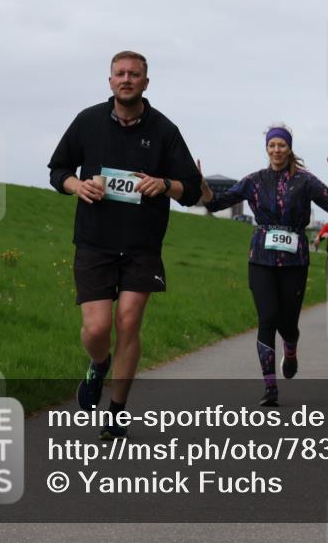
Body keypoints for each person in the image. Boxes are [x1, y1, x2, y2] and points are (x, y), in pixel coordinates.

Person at [48, 51, 202, 440]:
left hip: (141, 245)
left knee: (129, 322)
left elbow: (190, 190)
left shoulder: (164, 130)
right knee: (96, 329)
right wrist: (77, 186)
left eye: (134, 74)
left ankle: (116, 411)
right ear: (110, 80)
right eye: (120, 73)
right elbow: (58, 170)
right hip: (94, 242)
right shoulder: (88, 121)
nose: (127, 79)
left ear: (146, 82)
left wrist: (163, 184)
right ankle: (99, 364)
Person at [200, 124, 328, 406]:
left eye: (282, 145)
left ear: (289, 148)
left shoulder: (305, 181)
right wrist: (203, 186)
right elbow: (216, 204)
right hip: (262, 259)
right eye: (272, 145)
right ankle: (270, 387)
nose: (277, 150)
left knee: (288, 324)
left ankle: (290, 349)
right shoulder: (254, 181)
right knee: (267, 318)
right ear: (266, 148)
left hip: (294, 261)